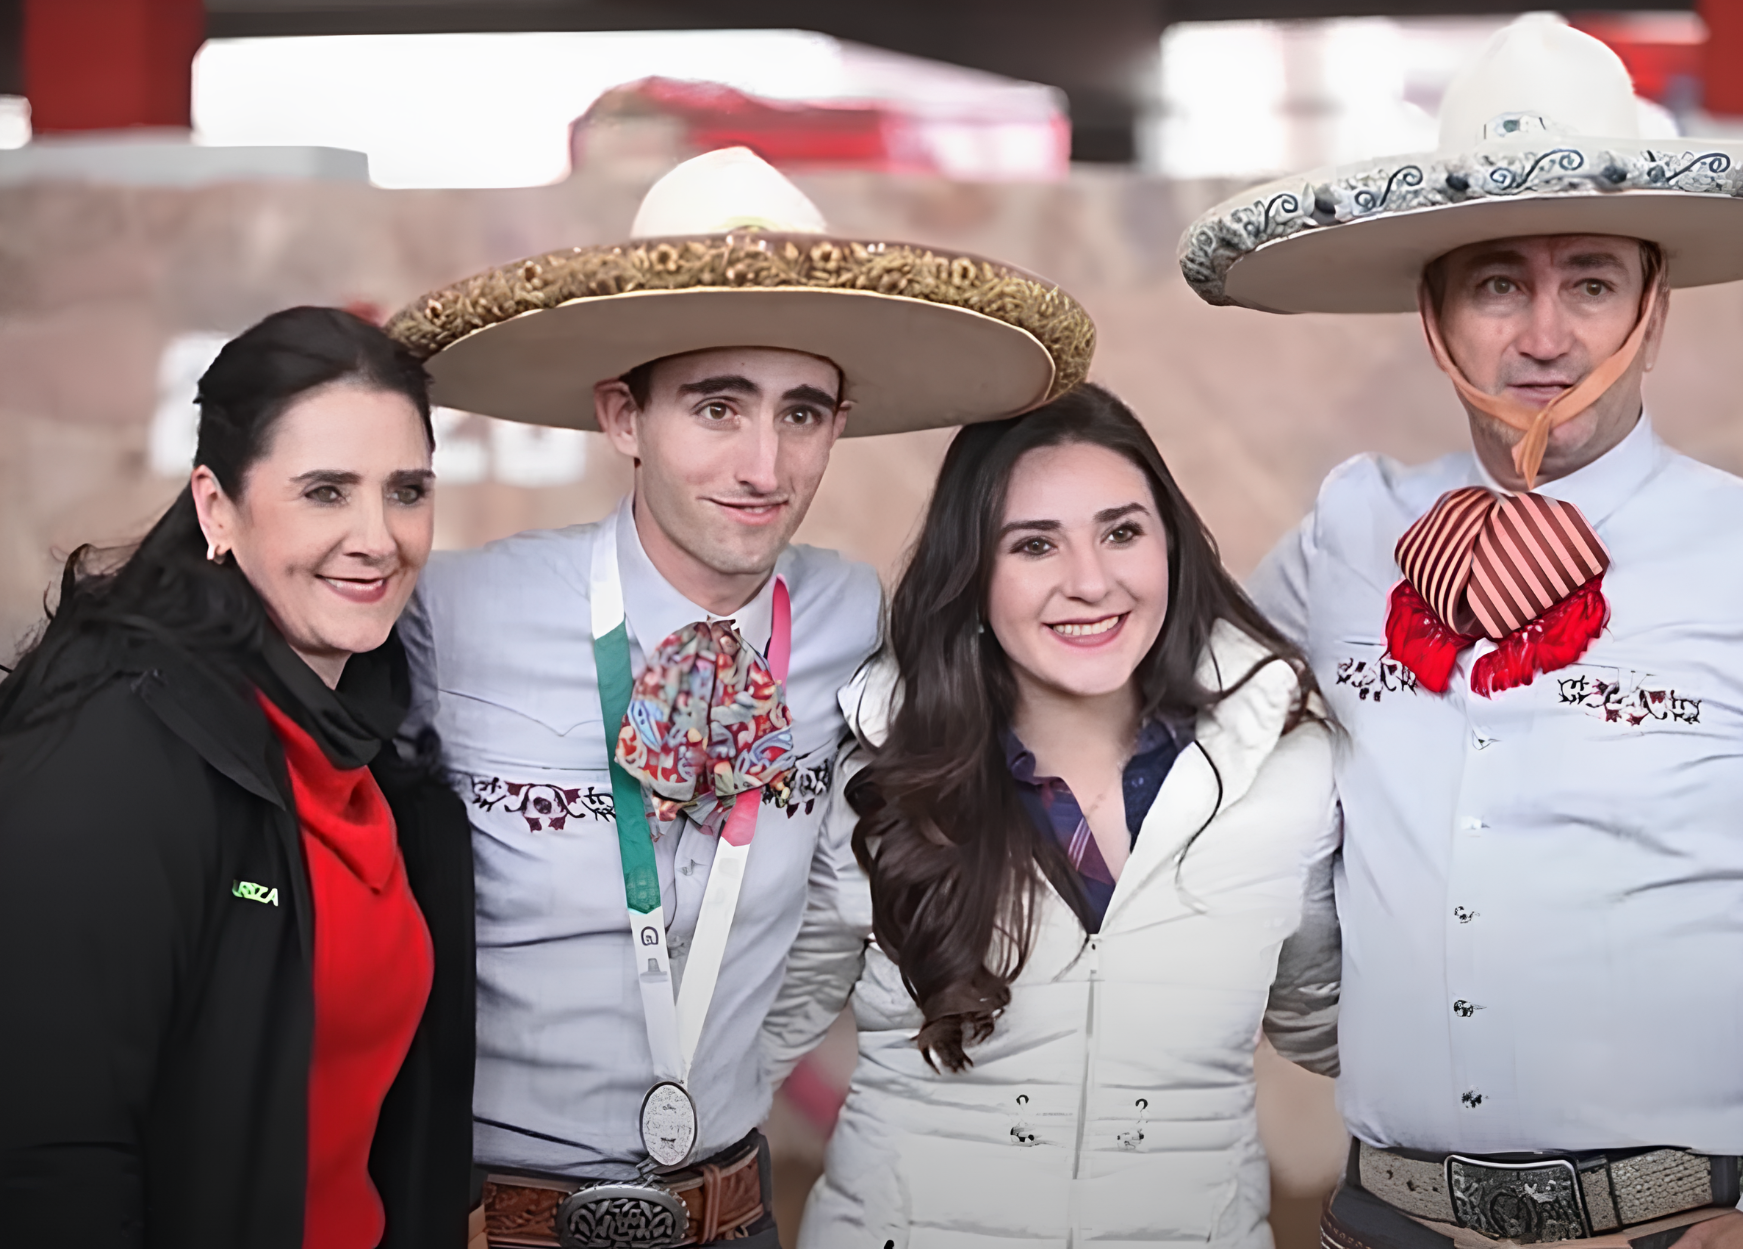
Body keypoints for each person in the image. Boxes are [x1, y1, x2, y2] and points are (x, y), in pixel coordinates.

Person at [1179, 17, 1743, 1249]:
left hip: (1685, 1228)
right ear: (1435, 315)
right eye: (1498, 282)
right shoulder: (1349, 532)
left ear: (1652, 312)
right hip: (1380, 1218)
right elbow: (1197, 734)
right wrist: (1304, 976)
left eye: (1591, 283)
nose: (1545, 337)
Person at [384, 147, 1095, 1249]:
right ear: (623, 416)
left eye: (801, 413)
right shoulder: (459, 614)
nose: (765, 463)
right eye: (718, 408)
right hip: (491, 1221)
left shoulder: (851, 618)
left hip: (735, 1212)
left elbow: (839, 896)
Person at [762, 383, 1342, 1247]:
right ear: (973, 574)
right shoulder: (878, 771)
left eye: (1121, 531)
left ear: (1171, 545)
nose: (1090, 581)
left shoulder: (1288, 767)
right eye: (1035, 544)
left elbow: (1327, 1019)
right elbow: (762, 1027)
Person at [0, 306, 473, 1249]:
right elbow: (52, 1159)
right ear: (217, 507)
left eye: (406, 490)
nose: (379, 538)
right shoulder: (115, 753)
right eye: (326, 492)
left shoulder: (374, 742)